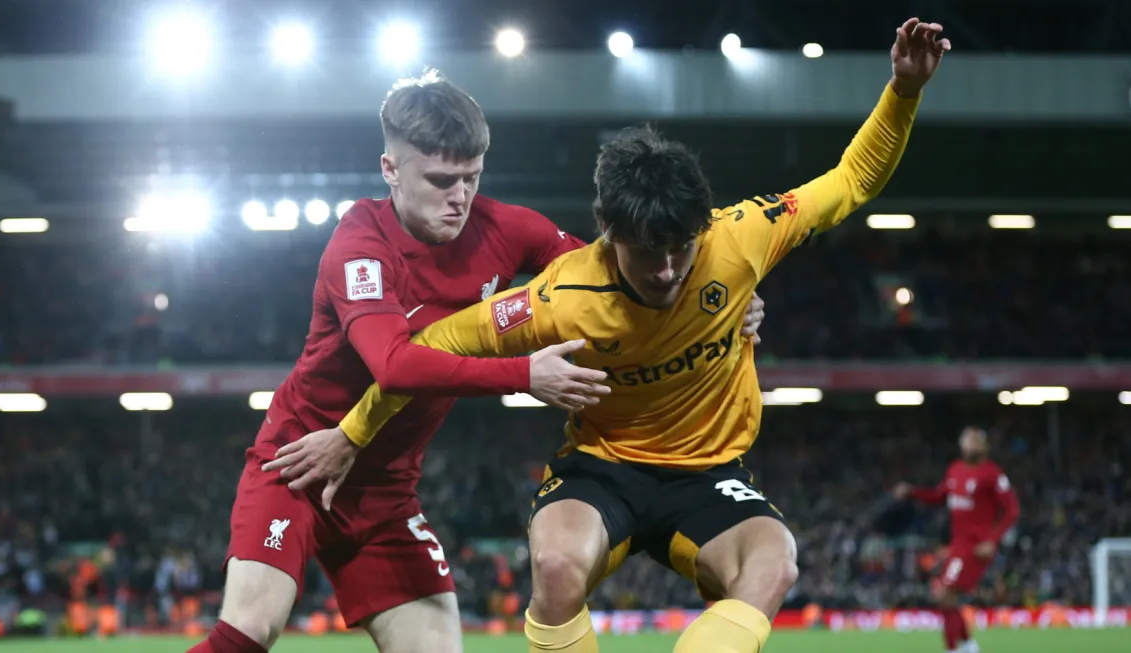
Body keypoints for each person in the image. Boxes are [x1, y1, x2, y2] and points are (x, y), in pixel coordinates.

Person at [274, 18, 949, 653]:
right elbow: (436, 346)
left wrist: (903, 91)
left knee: (774, 562)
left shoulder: (742, 238)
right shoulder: (561, 294)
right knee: (556, 560)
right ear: (609, 237)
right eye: (643, 253)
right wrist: (352, 432)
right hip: (604, 471)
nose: (663, 271)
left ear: (701, 231)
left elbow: (850, 182)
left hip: (709, 473)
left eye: (679, 251)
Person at [187, 69, 770, 653]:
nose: (459, 197)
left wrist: (719, 302)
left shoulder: (506, 229)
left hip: (386, 493)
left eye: (471, 177)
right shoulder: (360, 246)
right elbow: (395, 364)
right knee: (250, 630)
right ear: (390, 170)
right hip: (303, 462)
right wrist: (524, 375)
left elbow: (615, 282)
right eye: (441, 180)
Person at [894, 427, 1020, 653]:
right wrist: (912, 492)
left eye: (974, 440)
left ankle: (956, 648)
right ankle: (968, 647)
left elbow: (1011, 510)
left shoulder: (992, 474)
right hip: (958, 546)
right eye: (965, 440)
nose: (968, 444)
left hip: (975, 547)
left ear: (984, 446)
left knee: (943, 593)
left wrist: (992, 540)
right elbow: (939, 496)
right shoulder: (955, 470)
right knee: (946, 597)